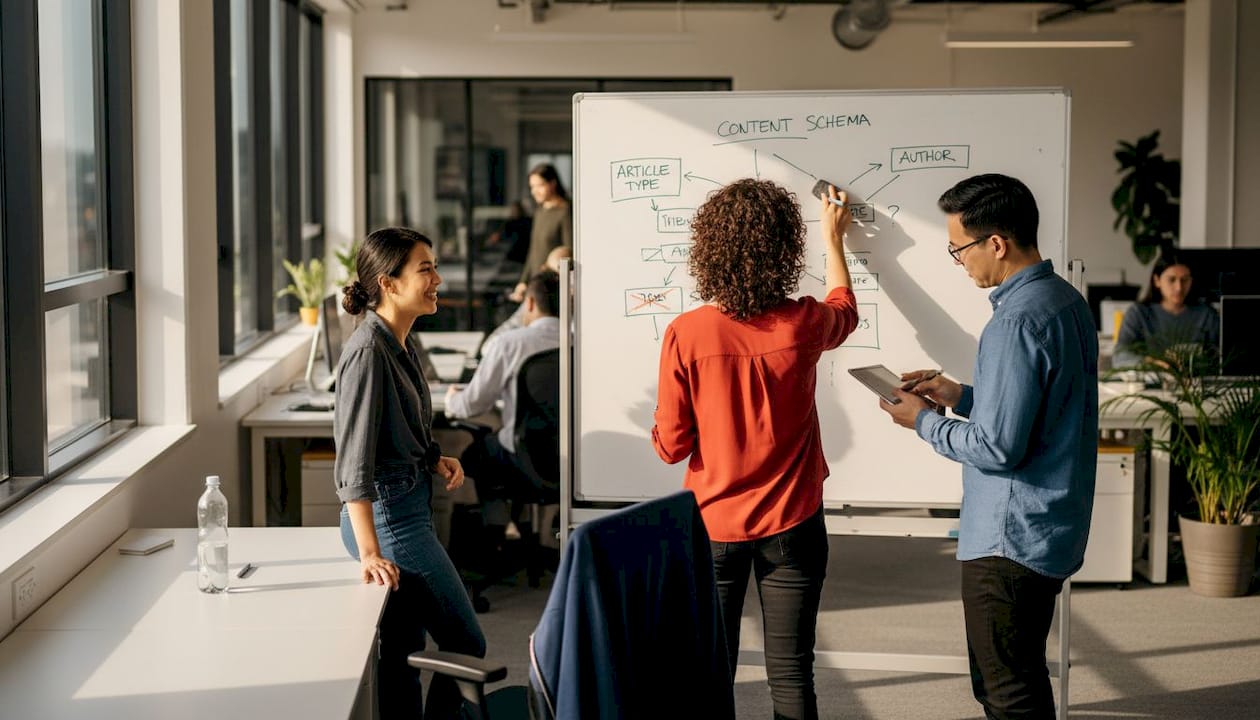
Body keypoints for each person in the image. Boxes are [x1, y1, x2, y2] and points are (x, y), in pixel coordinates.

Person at [879, 174, 1098, 720]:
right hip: (1045, 527)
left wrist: (924, 421)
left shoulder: (1015, 321)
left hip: (1008, 538)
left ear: (995, 243)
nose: (959, 261)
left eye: (958, 248)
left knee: (1006, 693)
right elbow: (1038, 413)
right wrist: (959, 395)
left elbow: (999, 448)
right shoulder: (1064, 302)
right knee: (1019, 677)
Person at [651, 178, 859, 720]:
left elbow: (671, 448)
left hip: (713, 528)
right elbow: (845, 308)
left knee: (709, 675)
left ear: (709, 249)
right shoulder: (805, 323)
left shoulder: (686, 333)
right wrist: (833, 239)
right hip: (794, 524)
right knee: (792, 674)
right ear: (786, 249)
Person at [333, 226, 486, 720]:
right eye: (426, 269)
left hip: (403, 506)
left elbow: (396, 428)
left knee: (401, 657)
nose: (438, 278)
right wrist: (371, 552)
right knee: (466, 642)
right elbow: (354, 463)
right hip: (389, 521)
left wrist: (432, 456)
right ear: (389, 283)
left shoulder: (396, 341)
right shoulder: (367, 353)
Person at [446, 269, 562, 539]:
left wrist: (452, 398)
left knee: (478, 453)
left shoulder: (510, 343)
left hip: (522, 459)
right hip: (575, 460)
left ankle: (496, 536)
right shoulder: (584, 341)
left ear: (530, 304)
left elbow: (472, 405)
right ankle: (527, 532)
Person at [1113, 250, 1220, 370]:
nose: (1179, 288)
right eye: (1171, 280)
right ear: (1157, 280)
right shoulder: (1138, 313)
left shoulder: (1207, 314)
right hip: (1150, 382)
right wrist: (1151, 363)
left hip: (1195, 383)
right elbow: (1120, 357)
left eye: (1184, 280)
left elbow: (1220, 357)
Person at [481, 245, 570, 354]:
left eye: (557, 276)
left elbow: (490, 348)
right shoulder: (537, 297)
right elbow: (490, 346)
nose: (555, 281)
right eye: (550, 274)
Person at [510, 163, 571, 302]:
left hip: (553, 287)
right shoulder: (540, 212)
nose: (534, 191)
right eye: (532, 187)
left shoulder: (565, 212)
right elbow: (534, 250)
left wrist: (550, 267)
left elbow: (568, 252)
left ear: (553, 183)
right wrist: (523, 281)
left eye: (540, 185)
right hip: (536, 283)